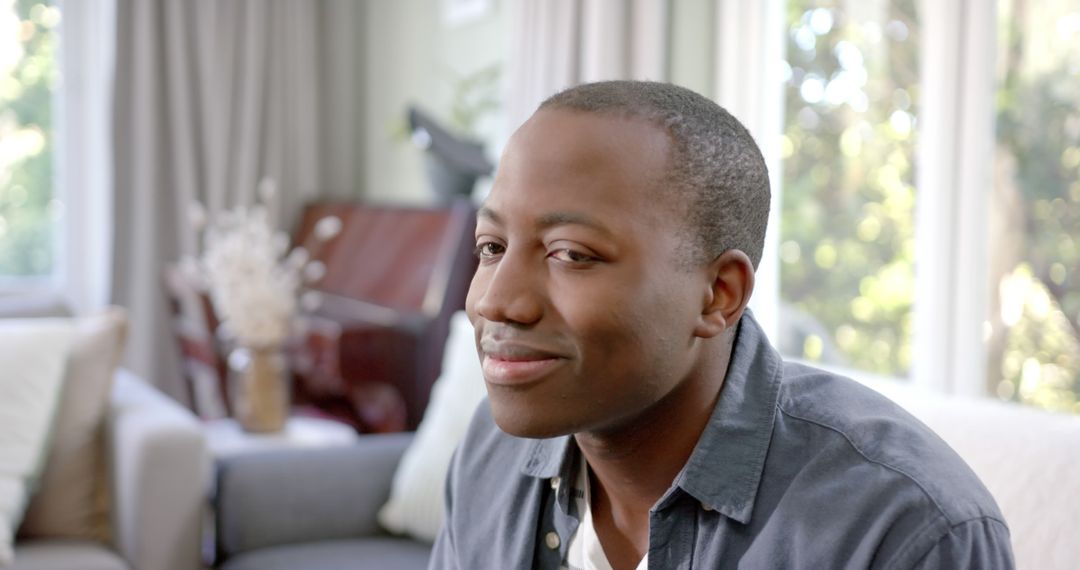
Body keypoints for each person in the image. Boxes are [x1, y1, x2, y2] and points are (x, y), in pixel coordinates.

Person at [430, 80, 1014, 569]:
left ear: (718, 294)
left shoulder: (903, 530)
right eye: (491, 246)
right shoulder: (492, 450)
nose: (495, 301)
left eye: (572, 254)